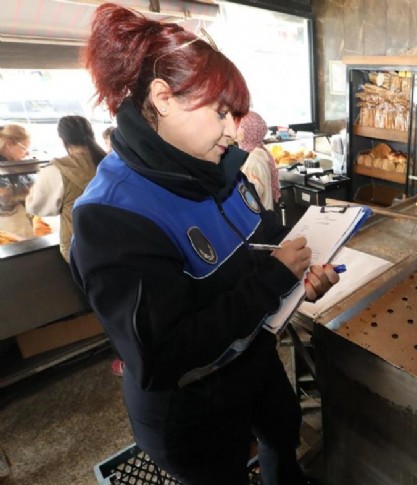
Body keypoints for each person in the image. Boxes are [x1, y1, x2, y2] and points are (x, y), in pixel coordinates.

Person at [71, 4, 338, 484]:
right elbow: (163, 354)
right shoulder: (112, 217)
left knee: (283, 433)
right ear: (163, 97)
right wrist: (275, 279)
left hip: (252, 357)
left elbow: (261, 242)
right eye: (221, 112)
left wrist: (298, 275)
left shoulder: (222, 170)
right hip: (190, 402)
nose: (235, 131)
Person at [26, 115, 105, 261]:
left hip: (81, 246)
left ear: (63, 140)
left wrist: (29, 194)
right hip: (115, 237)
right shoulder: (108, 161)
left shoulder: (58, 169)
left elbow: (36, 207)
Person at [0, 124, 37, 240]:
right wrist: (24, 194)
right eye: (24, 148)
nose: (27, 153)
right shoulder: (3, 167)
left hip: (23, 220)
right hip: (8, 222)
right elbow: (3, 196)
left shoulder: (15, 163)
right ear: (9, 144)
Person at [238, 111, 281, 211]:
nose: (234, 129)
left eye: (240, 126)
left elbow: (248, 199)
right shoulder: (259, 152)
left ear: (250, 131)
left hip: (258, 217)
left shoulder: (252, 160)